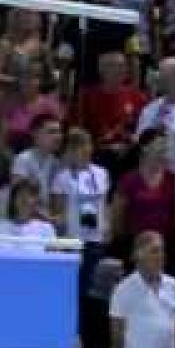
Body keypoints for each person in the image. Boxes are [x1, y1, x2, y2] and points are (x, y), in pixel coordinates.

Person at [106, 231, 175, 348]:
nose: (160, 256)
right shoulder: (123, 290)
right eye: (154, 251)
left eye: (162, 250)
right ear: (138, 255)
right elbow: (117, 335)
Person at [112, 130, 175, 277]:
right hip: (136, 243)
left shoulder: (174, 179)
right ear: (145, 148)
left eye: (165, 145)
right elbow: (118, 215)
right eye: (159, 144)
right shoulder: (129, 180)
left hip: (168, 245)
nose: (163, 149)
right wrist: (123, 240)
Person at [52, 127, 111, 297]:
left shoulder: (101, 173)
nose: (86, 150)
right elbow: (58, 210)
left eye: (88, 145)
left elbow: (104, 203)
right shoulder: (62, 177)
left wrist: (108, 226)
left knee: (91, 288)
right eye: (80, 147)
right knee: (74, 288)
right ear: (70, 151)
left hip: (95, 238)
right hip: (73, 239)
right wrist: (61, 241)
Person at [76, 51, 149, 182]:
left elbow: (144, 128)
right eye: (114, 66)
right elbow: (79, 129)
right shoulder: (87, 96)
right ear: (101, 69)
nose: (120, 70)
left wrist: (131, 144)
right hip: (97, 152)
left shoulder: (137, 96)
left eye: (123, 66)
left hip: (129, 152)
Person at [0, 61, 65, 153]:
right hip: (12, 155)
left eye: (34, 77)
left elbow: (57, 139)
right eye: (24, 77)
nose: (27, 81)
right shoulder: (11, 104)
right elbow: (2, 139)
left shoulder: (51, 105)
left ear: (41, 81)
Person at [11, 113, 65, 212]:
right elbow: (20, 198)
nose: (58, 136)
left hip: (48, 219)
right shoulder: (23, 159)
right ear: (35, 134)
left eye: (59, 132)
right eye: (52, 132)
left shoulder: (57, 163)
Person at [0, 9, 50, 89]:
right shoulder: (6, 44)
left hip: (34, 95)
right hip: (10, 93)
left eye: (34, 14)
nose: (29, 18)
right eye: (26, 13)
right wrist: (18, 81)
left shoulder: (42, 47)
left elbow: (50, 78)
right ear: (16, 17)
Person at [0, 177, 57, 246]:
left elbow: (54, 255)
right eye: (21, 195)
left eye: (30, 195)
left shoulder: (46, 229)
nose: (25, 199)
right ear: (13, 200)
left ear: (36, 201)